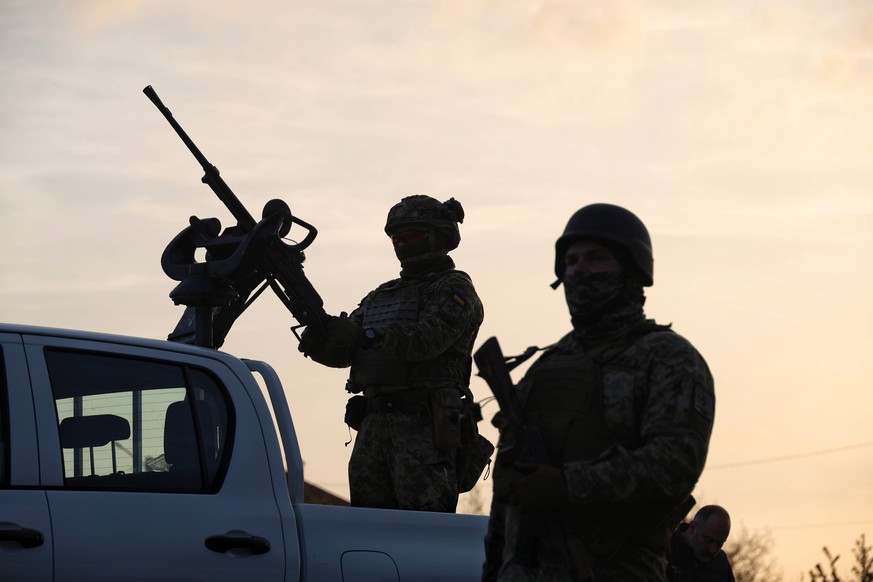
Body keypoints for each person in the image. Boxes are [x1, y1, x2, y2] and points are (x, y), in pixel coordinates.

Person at [482, 203, 716, 581]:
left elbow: (674, 464)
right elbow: (508, 491)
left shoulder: (669, 358)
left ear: (631, 270)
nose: (579, 270)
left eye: (596, 258)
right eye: (571, 261)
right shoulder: (545, 368)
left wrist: (568, 484)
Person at [299, 195, 485, 512]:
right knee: (368, 528)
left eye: (411, 235)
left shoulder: (454, 288)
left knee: (424, 531)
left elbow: (429, 339)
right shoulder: (380, 295)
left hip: (424, 428)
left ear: (437, 235)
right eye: (396, 237)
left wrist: (370, 335)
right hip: (373, 425)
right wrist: (319, 338)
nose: (402, 243)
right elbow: (344, 352)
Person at [670, 505, 735, 582]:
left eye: (720, 544)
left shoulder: (721, 563)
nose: (712, 550)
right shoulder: (666, 550)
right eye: (708, 540)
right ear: (692, 528)